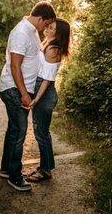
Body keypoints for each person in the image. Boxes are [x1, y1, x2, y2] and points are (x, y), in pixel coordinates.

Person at [0, 1, 56, 192]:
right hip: (14, 90)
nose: (46, 28)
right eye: (46, 24)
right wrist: (24, 93)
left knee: (14, 130)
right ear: (40, 18)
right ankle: (15, 177)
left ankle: (7, 169)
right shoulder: (21, 32)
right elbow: (15, 66)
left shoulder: (32, 30)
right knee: (20, 132)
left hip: (20, 89)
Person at [25, 18, 70, 182]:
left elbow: (47, 79)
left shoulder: (53, 49)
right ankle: (46, 167)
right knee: (42, 132)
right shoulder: (46, 42)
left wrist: (36, 99)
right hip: (41, 91)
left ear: (58, 34)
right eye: (49, 24)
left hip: (44, 93)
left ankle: (45, 171)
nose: (48, 27)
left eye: (52, 27)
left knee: (41, 133)